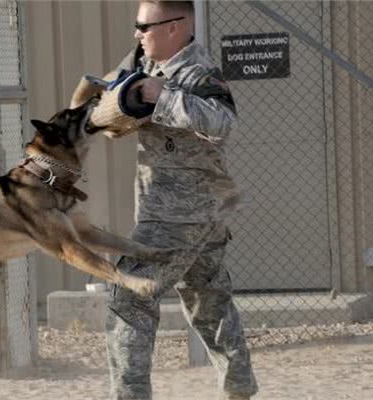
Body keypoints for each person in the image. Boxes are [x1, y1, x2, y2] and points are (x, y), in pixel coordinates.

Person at [102, 1, 258, 399]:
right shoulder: (144, 60)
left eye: (143, 26)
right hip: (192, 210)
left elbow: (223, 123)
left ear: (174, 27)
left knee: (129, 296)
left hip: (179, 213)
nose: (136, 33)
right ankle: (240, 390)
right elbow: (109, 99)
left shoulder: (198, 72)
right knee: (210, 302)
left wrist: (161, 95)